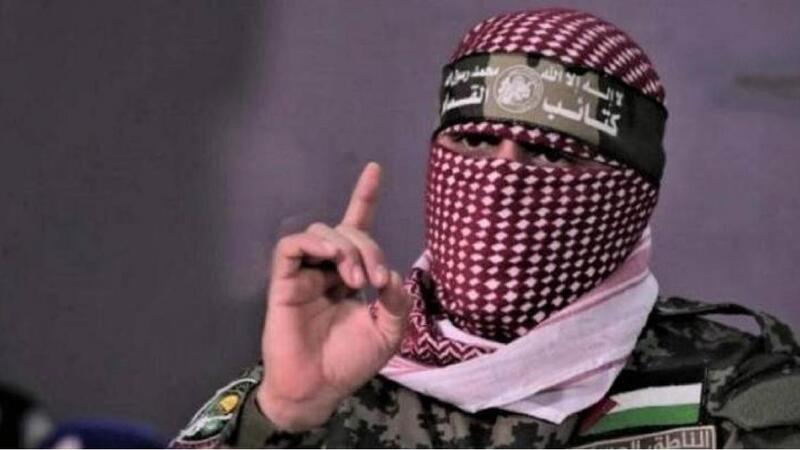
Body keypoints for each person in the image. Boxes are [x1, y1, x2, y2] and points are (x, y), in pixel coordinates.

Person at [172, 8, 800, 448]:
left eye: (548, 154)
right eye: (473, 142)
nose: (501, 178)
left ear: (630, 193)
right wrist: (282, 414)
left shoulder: (734, 392)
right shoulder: (335, 377)